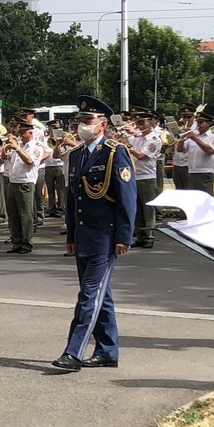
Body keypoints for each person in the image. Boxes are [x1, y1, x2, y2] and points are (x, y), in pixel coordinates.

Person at [52, 95, 137, 371]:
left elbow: (126, 198)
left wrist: (124, 236)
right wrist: (71, 236)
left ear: (102, 125)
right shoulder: (77, 154)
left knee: (89, 295)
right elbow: (73, 198)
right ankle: (107, 351)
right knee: (102, 295)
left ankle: (73, 352)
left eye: (88, 121)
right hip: (84, 235)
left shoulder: (115, 152)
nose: (82, 126)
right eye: (80, 121)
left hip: (105, 236)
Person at [2, 116, 45, 254]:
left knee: (25, 215)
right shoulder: (19, 145)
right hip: (13, 182)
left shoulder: (36, 147)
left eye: (22, 134)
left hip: (25, 183)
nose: (20, 137)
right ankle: (17, 242)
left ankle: (26, 243)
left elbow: (29, 161)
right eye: (19, 134)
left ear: (30, 133)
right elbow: (4, 158)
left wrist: (17, 148)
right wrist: (6, 147)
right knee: (13, 215)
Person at [126, 111, 162, 249]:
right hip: (135, 176)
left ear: (150, 122)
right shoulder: (138, 138)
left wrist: (129, 146)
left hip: (147, 177)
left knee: (148, 209)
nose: (140, 126)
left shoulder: (155, 140)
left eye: (142, 123)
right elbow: (123, 145)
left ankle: (149, 236)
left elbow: (141, 156)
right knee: (138, 209)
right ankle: (140, 236)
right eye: (138, 123)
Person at [179, 110, 214, 196]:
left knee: (205, 199)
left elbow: (210, 151)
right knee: (193, 200)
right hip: (191, 172)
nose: (198, 125)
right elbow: (180, 150)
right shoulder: (193, 136)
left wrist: (195, 138)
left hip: (205, 173)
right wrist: (181, 140)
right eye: (197, 122)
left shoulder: (213, 137)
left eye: (201, 122)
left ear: (209, 123)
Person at [43, 119, 66, 217]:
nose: (54, 130)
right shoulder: (45, 139)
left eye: (56, 128)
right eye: (53, 128)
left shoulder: (62, 138)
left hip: (59, 165)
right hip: (48, 165)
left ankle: (60, 208)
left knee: (60, 189)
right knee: (50, 189)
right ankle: (51, 208)